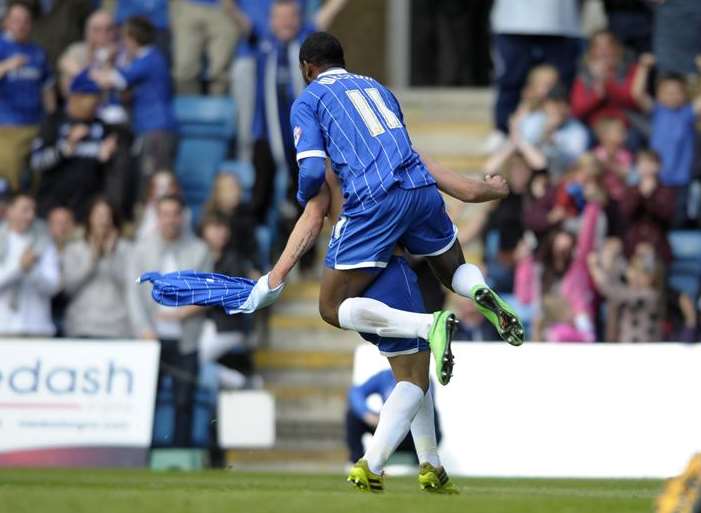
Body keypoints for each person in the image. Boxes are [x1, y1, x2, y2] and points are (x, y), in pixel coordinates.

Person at [127, 194, 212, 447]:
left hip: (186, 338)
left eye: (175, 214)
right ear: (157, 217)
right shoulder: (141, 250)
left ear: (183, 216)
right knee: (145, 402)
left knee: (183, 401)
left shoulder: (199, 249)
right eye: (165, 214)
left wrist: (182, 313)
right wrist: (143, 329)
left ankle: (181, 456)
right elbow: (133, 294)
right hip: (151, 338)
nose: (170, 220)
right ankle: (141, 454)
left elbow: (206, 292)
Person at [90, 16, 176, 197]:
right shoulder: (150, 59)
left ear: (132, 38)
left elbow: (110, 80)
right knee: (147, 179)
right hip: (150, 129)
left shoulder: (149, 60)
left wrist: (101, 61)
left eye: (124, 38)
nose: (123, 43)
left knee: (155, 181)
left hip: (156, 129)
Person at [31, 69, 117, 221]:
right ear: (76, 97)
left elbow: (107, 174)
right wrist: (66, 147)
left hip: (85, 212)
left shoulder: (101, 126)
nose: (95, 104)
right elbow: (36, 162)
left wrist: (106, 159)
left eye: (97, 99)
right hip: (53, 210)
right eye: (91, 99)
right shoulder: (53, 122)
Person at [490, 0, 582, 135]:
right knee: (511, 81)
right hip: (512, 20)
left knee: (559, 87)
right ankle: (503, 131)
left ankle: (558, 131)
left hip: (561, 21)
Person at [632, 53, 700, 222]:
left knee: (679, 217)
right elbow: (637, 93)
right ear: (659, 94)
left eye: (677, 92)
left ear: (685, 94)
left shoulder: (687, 113)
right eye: (667, 92)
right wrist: (643, 68)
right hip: (657, 177)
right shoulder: (657, 111)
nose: (672, 96)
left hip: (681, 178)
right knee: (657, 217)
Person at [0, 2, 55, 190]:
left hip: (36, 125)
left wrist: (52, 118)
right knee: (10, 178)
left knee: (36, 177)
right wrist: (5, 67)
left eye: (26, 21)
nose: (21, 25)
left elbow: (47, 87)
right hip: (8, 127)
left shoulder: (37, 51)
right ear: (5, 23)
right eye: (16, 21)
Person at [62, 197, 132, 339]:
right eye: (99, 215)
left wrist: (109, 257)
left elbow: (131, 287)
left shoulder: (127, 249)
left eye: (108, 216)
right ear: (89, 218)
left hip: (117, 327)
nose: (103, 221)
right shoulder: (74, 249)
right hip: (81, 325)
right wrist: (91, 261)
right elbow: (68, 288)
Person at [346, 368, 442, 466]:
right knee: (353, 415)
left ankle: (426, 465)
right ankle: (359, 464)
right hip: (388, 432)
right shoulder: (385, 376)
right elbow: (356, 392)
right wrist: (367, 414)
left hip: (411, 434)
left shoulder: (422, 378)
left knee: (431, 415)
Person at [0, 193, 60, 336]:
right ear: (9, 211)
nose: (30, 216)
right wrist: (19, 268)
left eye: (33, 210)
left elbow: (53, 286)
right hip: (4, 327)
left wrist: (32, 271)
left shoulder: (45, 242)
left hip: (37, 327)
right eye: (25, 210)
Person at [570, 30, 639, 129]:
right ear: (591, 51)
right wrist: (597, 89)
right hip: (595, 125)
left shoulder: (629, 68)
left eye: (608, 46)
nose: (603, 51)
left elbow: (633, 100)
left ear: (617, 48)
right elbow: (577, 110)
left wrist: (607, 82)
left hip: (627, 123)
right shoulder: (584, 74)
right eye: (598, 47)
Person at [519, 84, 590, 179]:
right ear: (545, 105)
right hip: (529, 171)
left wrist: (553, 140)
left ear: (568, 108)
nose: (557, 110)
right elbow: (521, 147)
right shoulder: (533, 120)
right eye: (553, 104)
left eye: (561, 105)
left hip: (560, 176)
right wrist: (544, 132)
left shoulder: (578, 131)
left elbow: (573, 161)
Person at [172, 0, 239, 94]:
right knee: (185, 69)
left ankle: (219, 107)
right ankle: (187, 107)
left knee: (220, 71)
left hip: (222, 8)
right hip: (188, 5)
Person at [619, 149, 675, 262]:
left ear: (658, 166)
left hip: (658, 244)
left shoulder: (666, 191)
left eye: (650, 163)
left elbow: (666, 216)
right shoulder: (631, 190)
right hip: (633, 244)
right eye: (642, 163)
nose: (646, 167)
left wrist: (650, 195)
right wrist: (640, 194)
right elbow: (626, 213)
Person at [58, 9, 118, 97]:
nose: (103, 35)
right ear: (87, 32)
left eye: (109, 29)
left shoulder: (124, 54)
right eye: (97, 30)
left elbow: (111, 88)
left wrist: (108, 63)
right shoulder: (76, 50)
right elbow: (68, 90)